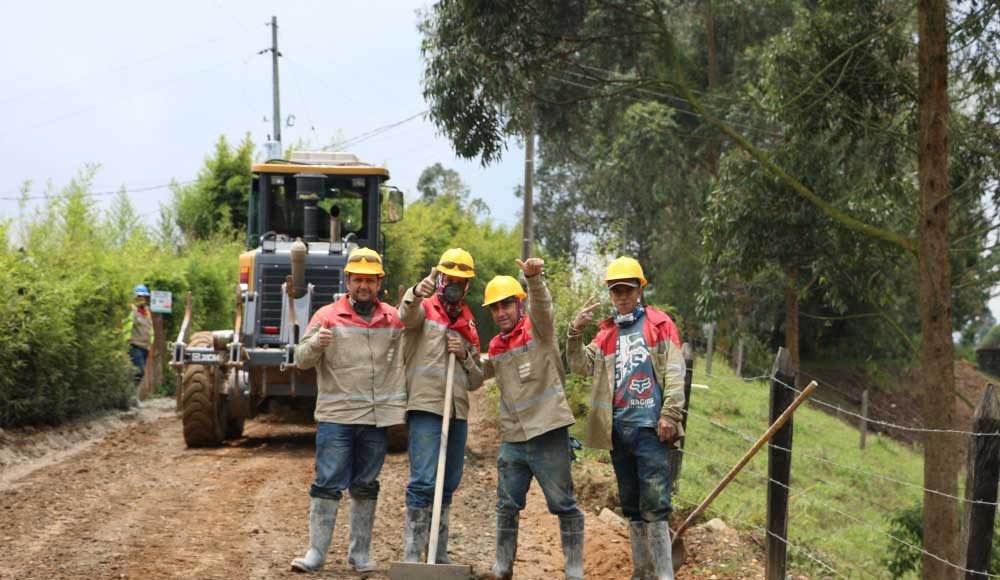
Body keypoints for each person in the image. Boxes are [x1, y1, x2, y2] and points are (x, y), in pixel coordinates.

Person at [567, 256, 685, 580]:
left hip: (651, 430)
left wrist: (670, 414)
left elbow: (675, 372)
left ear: (639, 290)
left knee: (656, 505)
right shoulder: (606, 334)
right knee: (631, 506)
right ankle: (641, 572)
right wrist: (575, 331)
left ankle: (664, 576)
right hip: (618, 431)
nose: (622, 296)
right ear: (610, 293)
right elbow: (579, 366)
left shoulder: (660, 325)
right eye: (616, 291)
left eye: (628, 290)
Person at [290, 247, 407, 574]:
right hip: (337, 418)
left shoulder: (393, 318)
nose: (363, 286)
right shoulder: (327, 316)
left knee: (366, 484)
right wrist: (317, 344)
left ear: (379, 283)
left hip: (375, 419)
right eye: (357, 280)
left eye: (369, 280)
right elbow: (301, 359)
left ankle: (359, 556)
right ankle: (315, 554)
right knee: (327, 483)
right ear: (347, 281)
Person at [480, 258, 584, 580]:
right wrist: (460, 354)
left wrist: (533, 278)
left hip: (548, 432)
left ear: (519, 303)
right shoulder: (496, 347)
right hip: (513, 439)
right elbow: (475, 376)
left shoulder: (538, 330)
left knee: (563, 504)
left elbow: (543, 306)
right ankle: (502, 568)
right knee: (506, 505)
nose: (501, 312)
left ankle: (574, 570)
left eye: (506, 304)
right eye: (495, 307)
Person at [397, 248, 484, 564]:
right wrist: (415, 292)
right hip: (426, 407)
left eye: (461, 281)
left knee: (448, 484)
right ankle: (412, 557)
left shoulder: (469, 324)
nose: (454, 285)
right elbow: (404, 317)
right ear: (440, 279)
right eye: (450, 278)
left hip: (456, 411)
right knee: (423, 481)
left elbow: (476, 380)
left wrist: (464, 355)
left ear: (467, 285)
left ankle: (437, 553)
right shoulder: (423, 308)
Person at [127, 284, 153, 408]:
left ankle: (133, 397)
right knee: (139, 371)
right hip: (134, 345)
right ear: (135, 297)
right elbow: (126, 327)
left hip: (145, 347)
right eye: (140, 296)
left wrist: (150, 344)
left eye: (144, 297)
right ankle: (132, 398)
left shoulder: (147, 311)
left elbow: (150, 329)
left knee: (139, 373)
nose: (142, 299)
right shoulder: (132, 310)